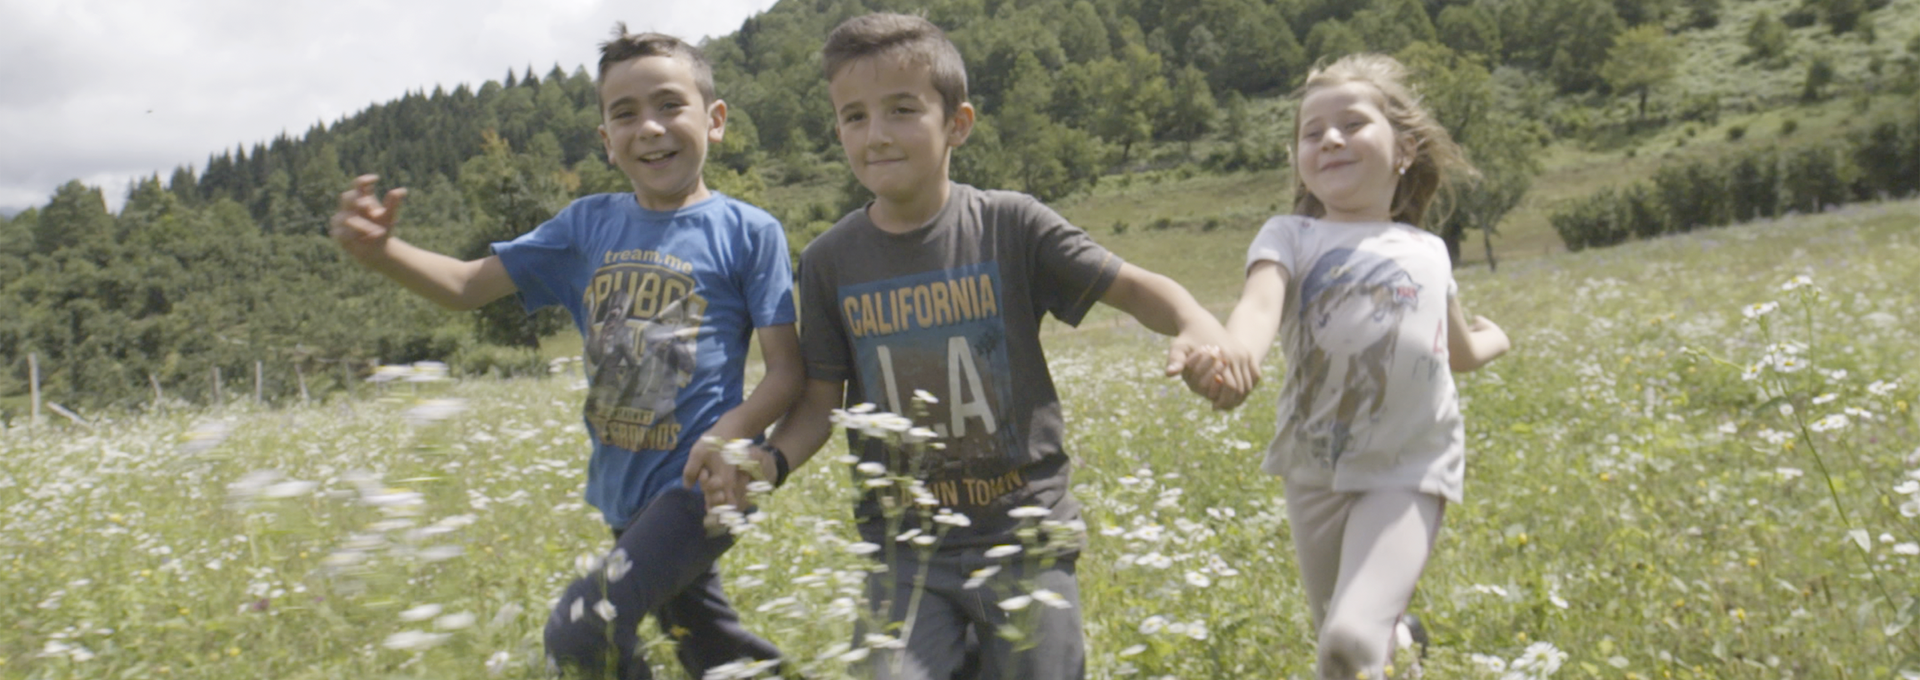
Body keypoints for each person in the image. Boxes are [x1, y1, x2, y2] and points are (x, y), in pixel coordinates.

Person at [686, 13, 1253, 680]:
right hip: (905, 549)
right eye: (854, 116)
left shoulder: (1011, 225)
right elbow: (820, 403)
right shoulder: (829, 261)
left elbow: (1133, 287)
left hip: (1025, 536)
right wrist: (771, 462)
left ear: (957, 123)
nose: (876, 135)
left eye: (902, 110)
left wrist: (1194, 321)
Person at [327, 24, 802, 680]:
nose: (651, 128)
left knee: (584, 629)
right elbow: (467, 286)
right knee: (710, 645)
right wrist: (383, 252)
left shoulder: (749, 232)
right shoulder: (586, 225)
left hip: (699, 487)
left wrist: (731, 435)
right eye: (626, 114)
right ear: (607, 142)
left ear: (714, 120)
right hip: (622, 491)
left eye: (670, 105)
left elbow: (787, 372)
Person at [1178, 53, 1512, 679]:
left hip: (1409, 468)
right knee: (1346, 636)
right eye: (1312, 132)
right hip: (1314, 472)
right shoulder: (1290, 236)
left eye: (1352, 124)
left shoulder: (1428, 251)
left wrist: (1499, 340)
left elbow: (1458, 348)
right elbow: (1257, 308)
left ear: (1405, 149)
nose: (1330, 138)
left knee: (1348, 642)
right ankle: (1404, 647)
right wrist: (1235, 359)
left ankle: (1388, 642)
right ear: (1299, 159)